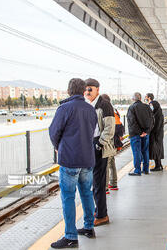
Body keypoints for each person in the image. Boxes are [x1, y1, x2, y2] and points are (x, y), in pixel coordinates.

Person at [49, 78, 97, 248]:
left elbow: (54, 131)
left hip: (70, 159)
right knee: (86, 193)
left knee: (68, 197)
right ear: (84, 91)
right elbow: (92, 132)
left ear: (69, 91)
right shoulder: (90, 109)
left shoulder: (64, 108)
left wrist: (57, 147)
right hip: (88, 159)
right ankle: (89, 227)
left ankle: (70, 236)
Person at [85, 79, 115, 226]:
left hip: (99, 148)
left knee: (98, 182)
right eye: (85, 90)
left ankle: (102, 215)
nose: (87, 92)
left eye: (90, 89)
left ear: (97, 89)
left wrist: (99, 144)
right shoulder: (89, 104)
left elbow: (110, 128)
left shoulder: (104, 105)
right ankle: (98, 211)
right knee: (93, 182)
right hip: (91, 145)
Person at [128, 92, 154, 176]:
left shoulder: (132, 107)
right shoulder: (147, 107)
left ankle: (137, 170)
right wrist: (146, 132)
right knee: (145, 151)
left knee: (136, 152)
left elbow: (132, 122)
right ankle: (146, 169)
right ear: (140, 98)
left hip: (135, 134)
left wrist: (139, 133)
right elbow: (152, 121)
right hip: (146, 134)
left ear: (133, 99)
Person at [100, 94, 121, 192]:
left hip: (108, 143)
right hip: (113, 142)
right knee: (112, 164)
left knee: (106, 166)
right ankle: (113, 183)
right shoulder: (114, 111)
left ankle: (105, 187)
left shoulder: (106, 111)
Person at [146, 93, 164, 171]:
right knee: (158, 148)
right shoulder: (159, 111)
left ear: (149, 97)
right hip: (159, 132)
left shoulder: (152, 105)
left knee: (155, 148)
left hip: (155, 132)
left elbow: (153, 121)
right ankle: (159, 164)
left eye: (146, 97)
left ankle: (157, 166)